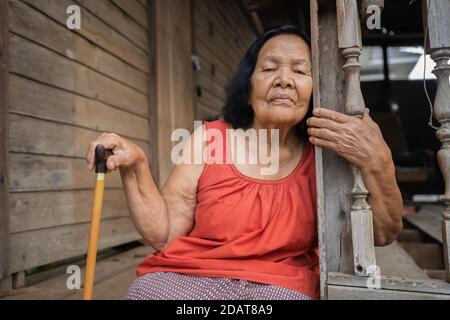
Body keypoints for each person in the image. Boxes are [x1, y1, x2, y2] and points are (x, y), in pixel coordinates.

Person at [85, 25, 403, 300]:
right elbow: (165, 235)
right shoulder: (209, 139)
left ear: (315, 90)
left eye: (300, 70)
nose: (284, 80)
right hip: (188, 277)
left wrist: (378, 161)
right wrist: (136, 165)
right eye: (269, 68)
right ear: (248, 88)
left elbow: (382, 235)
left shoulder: (326, 154)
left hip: (280, 286)